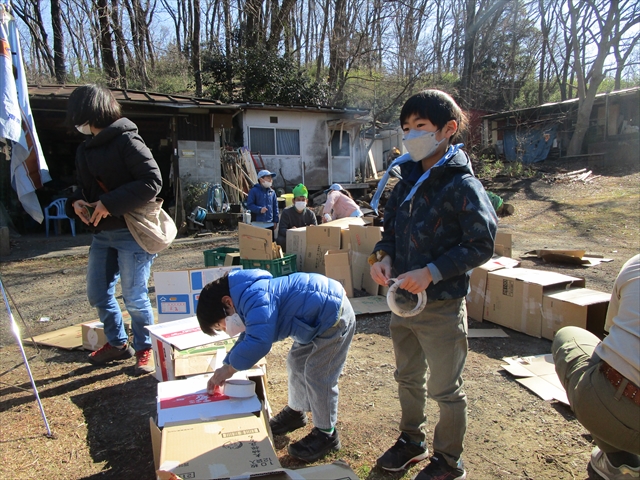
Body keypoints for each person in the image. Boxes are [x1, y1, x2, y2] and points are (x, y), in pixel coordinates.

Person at [369, 89, 497, 480]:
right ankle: (412, 440)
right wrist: (383, 255)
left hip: (440, 304)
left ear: (448, 129)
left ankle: (448, 459)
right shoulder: (405, 177)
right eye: (406, 128)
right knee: (407, 376)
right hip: (402, 301)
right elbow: (389, 229)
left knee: (445, 388)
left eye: (420, 127)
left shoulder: (461, 184)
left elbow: (481, 243)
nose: (410, 136)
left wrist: (433, 272)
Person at [196, 269, 356, 463]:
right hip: (312, 320)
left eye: (221, 325)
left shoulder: (254, 296)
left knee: (318, 375)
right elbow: (250, 334)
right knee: (296, 362)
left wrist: (230, 369)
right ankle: (296, 412)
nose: (225, 329)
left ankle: (327, 434)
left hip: (333, 318)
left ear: (227, 302)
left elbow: (258, 341)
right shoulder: (247, 295)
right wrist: (227, 364)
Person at [64, 84, 162, 374]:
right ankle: (118, 343)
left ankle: (146, 348)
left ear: (89, 112)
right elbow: (81, 187)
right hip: (101, 234)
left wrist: (108, 202)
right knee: (97, 292)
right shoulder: (84, 149)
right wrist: (76, 202)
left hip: (131, 232)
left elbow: (151, 182)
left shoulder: (127, 140)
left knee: (134, 295)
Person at [552, 254, 640, 480]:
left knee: (570, 338)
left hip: (615, 403)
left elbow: (610, 332)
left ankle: (619, 460)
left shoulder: (636, 265)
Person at [276, 183, 317, 250]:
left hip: (306, 239)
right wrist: (290, 231)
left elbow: (317, 230)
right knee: (281, 239)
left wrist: (312, 229)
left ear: (307, 201)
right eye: (298, 200)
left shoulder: (310, 214)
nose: (301, 202)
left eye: (303, 200)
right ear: (293, 201)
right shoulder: (286, 212)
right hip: (291, 239)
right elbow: (281, 230)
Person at [247, 170, 279, 235]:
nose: (270, 180)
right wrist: (259, 209)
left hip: (270, 223)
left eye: (271, 178)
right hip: (257, 223)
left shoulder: (272, 192)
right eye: (268, 178)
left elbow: (275, 207)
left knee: (270, 244)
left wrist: (275, 221)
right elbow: (250, 205)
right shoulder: (253, 191)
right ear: (261, 179)